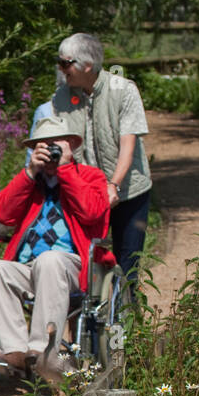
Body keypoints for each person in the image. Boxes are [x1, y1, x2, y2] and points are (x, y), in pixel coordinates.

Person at [0, 115, 111, 375]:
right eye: (43, 144)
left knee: (50, 259)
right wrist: (29, 173)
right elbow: (1, 213)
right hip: (29, 267)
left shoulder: (90, 176)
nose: (50, 149)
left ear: (71, 146)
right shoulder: (31, 181)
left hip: (72, 267)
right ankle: (15, 353)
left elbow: (92, 213)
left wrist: (64, 169)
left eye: (56, 143)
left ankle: (43, 350)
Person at [50, 32, 152, 293]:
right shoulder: (61, 97)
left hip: (129, 192)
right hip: (86, 195)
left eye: (65, 63)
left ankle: (126, 326)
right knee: (84, 261)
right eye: (59, 62)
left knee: (126, 265)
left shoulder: (124, 90)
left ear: (87, 65)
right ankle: (90, 328)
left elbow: (127, 145)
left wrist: (114, 185)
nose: (61, 69)